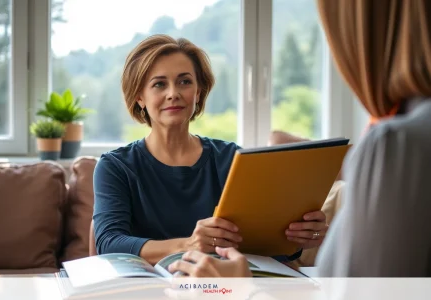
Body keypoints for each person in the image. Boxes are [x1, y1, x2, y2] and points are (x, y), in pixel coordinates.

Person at [170, 0, 431, 278]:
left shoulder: (397, 144)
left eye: (185, 81)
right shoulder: (400, 138)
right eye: (159, 83)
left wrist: (243, 291)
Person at [93, 34, 328, 266]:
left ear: (198, 92)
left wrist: (297, 239)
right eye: (159, 84)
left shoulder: (233, 159)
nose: (173, 93)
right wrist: (189, 245)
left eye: (185, 81)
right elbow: (109, 243)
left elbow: (266, 249)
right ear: (139, 97)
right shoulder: (115, 167)